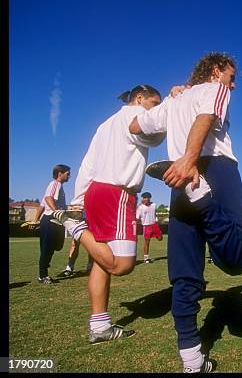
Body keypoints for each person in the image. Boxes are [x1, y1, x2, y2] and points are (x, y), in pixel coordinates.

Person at [129, 52, 242, 373]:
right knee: (238, 260)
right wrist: (189, 160)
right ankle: (204, 199)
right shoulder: (215, 89)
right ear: (216, 70)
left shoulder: (174, 101)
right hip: (210, 170)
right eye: (231, 75)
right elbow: (207, 117)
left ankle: (192, 361)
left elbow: (135, 124)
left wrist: (168, 108)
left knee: (185, 274)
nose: (233, 83)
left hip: (177, 179)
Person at [53, 84, 166, 344]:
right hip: (117, 194)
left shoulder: (105, 125)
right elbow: (155, 133)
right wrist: (176, 103)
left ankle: (100, 326)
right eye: (155, 102)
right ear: (140, 98)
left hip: (96, 191)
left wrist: (79, 200)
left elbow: (87, 164)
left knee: (101, 263)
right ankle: (75, 227)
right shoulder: (131, 117)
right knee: (122, 265)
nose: (157, 108)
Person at [37, 164, 71, 284]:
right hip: (50, 220)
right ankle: (42, 275)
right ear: (59, 174)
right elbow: (48, 199)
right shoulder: (55, 184)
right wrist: (57, 212)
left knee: (57, 246)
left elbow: (41, 205)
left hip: (54, 221)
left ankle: (44, 267)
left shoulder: (57, 186)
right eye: (68, 173)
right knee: (47, 249)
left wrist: (35, 220)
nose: (69, 175)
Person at [136, 192, 164, 263]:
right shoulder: (140, 207)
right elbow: (137, 218)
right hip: (146, 226)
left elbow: (154, 213)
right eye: (145, 197)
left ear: (150, 198)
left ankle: (157, 235)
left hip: (154, 225)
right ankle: (146, 258)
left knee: (160, 238)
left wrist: (156, 220)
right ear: (143, 199)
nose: (146, 199)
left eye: (148, 197)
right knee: (147, 242)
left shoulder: (154, 205)